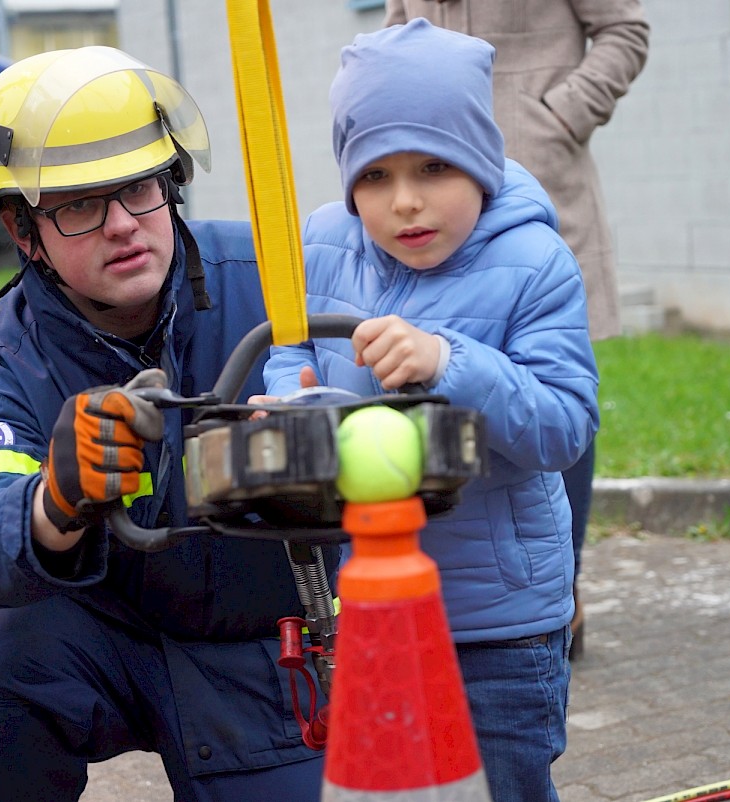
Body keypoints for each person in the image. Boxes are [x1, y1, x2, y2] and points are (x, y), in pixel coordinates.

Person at [0, 46, 335, 802]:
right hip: (105, 648)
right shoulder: (4, 363)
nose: (123, 225)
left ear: (172, 184)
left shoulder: (286, 284)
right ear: (22, 232)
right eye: (78, 205)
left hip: (271, 655)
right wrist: (52, 502)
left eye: (138, 188)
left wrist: (325, 430)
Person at [257, 20, 599, 802]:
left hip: (498, 626)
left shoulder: (533, 262)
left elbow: (564, 425)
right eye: (375, 176)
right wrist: (283, 406)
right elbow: (290, 353)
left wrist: (450, 363)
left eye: (434, 167)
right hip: (368, 606)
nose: (405, 202)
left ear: (479, 159)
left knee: (501, 785)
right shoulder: (323, 244)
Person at [384, 0, 650, 659]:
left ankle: (562, 586)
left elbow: (625, 30)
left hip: (539, 188)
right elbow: (400, 35)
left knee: (554, 387)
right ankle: (466, 595)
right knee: (444, 371)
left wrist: (556, 116)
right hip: (432, 202)